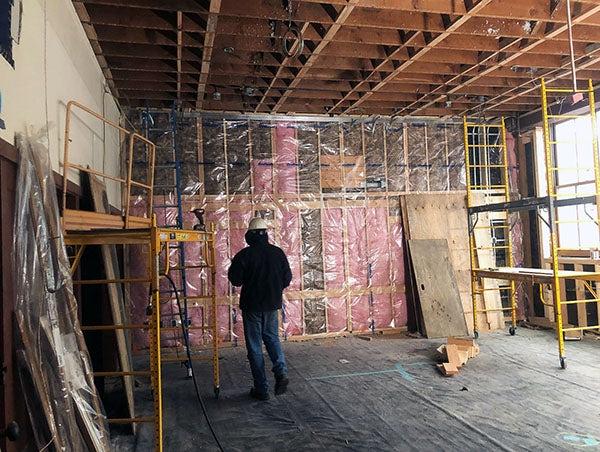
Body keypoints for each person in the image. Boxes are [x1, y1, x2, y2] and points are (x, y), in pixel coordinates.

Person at [228, 217, 292, 401]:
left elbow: (236, 280)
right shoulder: (277, 253)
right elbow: (287, 278)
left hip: (252, 306)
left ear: (250, 235)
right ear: (266, 234)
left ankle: (261, 389)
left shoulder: (244, 255)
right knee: (272, 339)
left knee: (255, 346)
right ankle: (281, 373)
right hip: (272, 305)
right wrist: (273, 288)